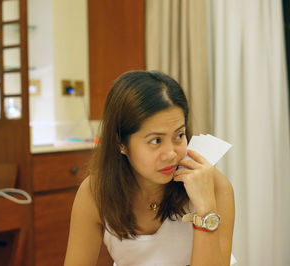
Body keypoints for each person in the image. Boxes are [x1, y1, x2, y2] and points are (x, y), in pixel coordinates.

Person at [64, 70, 235, 266]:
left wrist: (205, 208)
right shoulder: (96, 191)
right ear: (121, 142)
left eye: (179, 135)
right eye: (156, 140)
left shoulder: (215, 186)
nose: (171, 153)